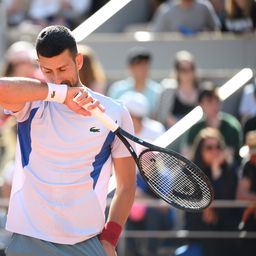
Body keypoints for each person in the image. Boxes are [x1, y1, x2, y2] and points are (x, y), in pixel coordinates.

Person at [0, 25, 136, 256]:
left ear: (79, 61)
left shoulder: (114, 112)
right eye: (47, 71)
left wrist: (109, 241)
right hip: (29, 241)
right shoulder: (32, 102)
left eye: (62, 68)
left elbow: (126, 186)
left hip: (85, 243)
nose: (56, 78)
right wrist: (61, 95)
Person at [185, 127, 239, 256]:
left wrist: (216, 171)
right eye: (209, 147)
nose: (215, 151)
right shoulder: (189, 172)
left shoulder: (230, 169)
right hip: (199, 229)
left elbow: (227, 198)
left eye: (218, 146)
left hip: (226, 228)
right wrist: (205, 207)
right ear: (200, 150)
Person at [183, 82, 243, 165]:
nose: (214, 106)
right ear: (200, 104)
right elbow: (187, 155)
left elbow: (231, 156)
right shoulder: (195, 129)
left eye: (217, 101)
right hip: (201, 172)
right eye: (209, 102)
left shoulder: (231, 126)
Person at [107, 46, 163, 118]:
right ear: (130, 67)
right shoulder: (117, 89)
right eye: (138, 65)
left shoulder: (158, 91)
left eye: (145, 64)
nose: (142, 69)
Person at [155, 50, 200, 128]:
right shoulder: (168, 89)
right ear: (177, 71)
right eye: (183, 69)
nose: (188, 72)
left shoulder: (200, 90)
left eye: (191, 68)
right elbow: (162, 116)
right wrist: (180, 127)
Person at [150, 0, 220, 35]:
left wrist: (201, 34)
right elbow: (156, 35)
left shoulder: (204, 7)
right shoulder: (165, 10)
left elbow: (216, 30)